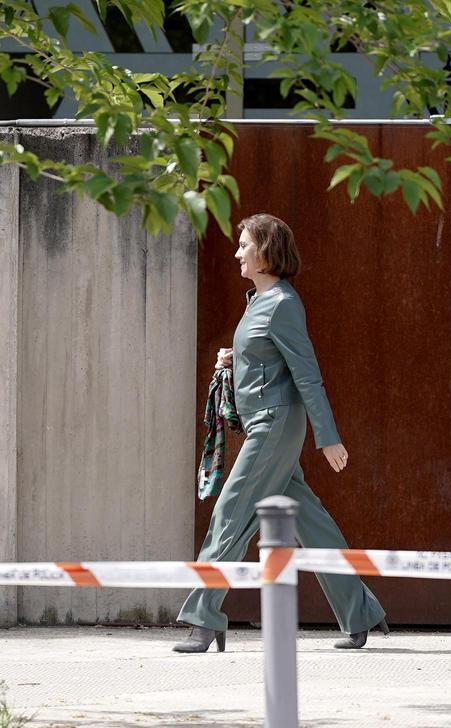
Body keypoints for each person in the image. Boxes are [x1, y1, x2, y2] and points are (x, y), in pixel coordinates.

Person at [174, 213, 388, 653]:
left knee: (230, 511)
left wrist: (327, 437)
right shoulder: (258, 301)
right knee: (311, 520)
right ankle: (360, 613)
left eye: (243, 245)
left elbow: (307, 375)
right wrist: (235, 362)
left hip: (274, 425)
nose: (237, 253)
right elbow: (270, 359)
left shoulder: (284, 304)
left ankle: (203, 617)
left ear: (265, 252)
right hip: (264, 422)